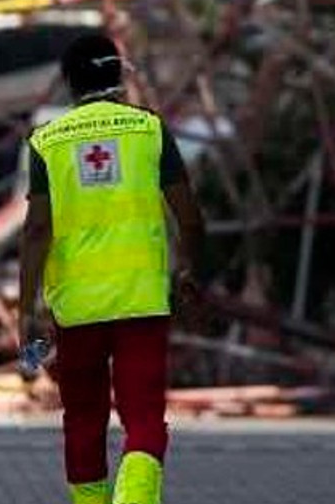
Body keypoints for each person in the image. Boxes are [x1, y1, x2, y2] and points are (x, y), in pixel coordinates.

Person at [18, 34, 205, 504]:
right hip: (141, 301)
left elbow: (37, 229)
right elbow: (188, 215)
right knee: (144, 419)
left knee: (83, 421)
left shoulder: (46, 142)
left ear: (67, 81)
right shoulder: (149, 130)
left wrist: (27, 309)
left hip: (77, 308)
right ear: (118, 75)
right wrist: (188, 270)